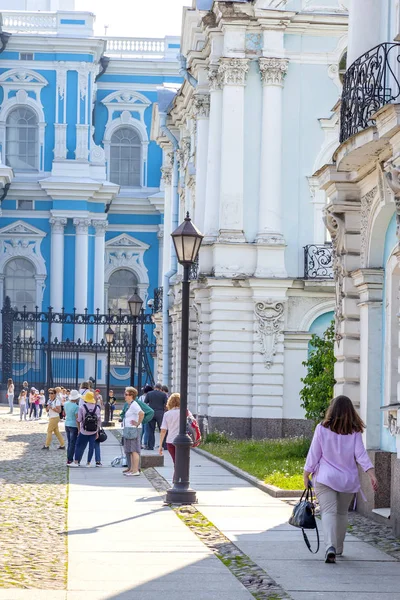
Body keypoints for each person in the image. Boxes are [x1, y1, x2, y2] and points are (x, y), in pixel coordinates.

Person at [304, 395, 378, 564]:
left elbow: (314, 454)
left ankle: (330, 547)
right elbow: (361, 455)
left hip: (325, 478)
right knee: (342, 513)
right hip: (347, 480)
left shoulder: (322, 428)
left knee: (328, 511)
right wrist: (372, 473)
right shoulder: (355, 432)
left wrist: (306, 474)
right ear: (351, 412)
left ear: (332, 410)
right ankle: (338, 547)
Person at [68, 391, 101, 468]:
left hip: (84, 430)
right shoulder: (96, 408)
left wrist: (79, 429)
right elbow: (99, 420)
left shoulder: (82, 407)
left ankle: (76, 461)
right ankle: (88, 463)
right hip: (93, 431)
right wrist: (97, 431)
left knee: (78, 445)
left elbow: (79, 419)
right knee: (91, 447)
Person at [122, 386, 144, 476]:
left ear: (131, 395)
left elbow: (142, 413)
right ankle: (132, 469)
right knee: (130, 450)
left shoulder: (134, 404)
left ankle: (135, 470)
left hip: (133, 430)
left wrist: (138, 423)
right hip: (129, 429)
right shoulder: (130, 404)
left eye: (126, 394)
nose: (125, 396)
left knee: (134, 450)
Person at [159, 393, 181, 464]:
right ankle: (181, 474)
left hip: (171, 440)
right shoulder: (184, 413)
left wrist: (160, 445)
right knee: (182, 461)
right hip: (182, 441)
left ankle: (177, 474)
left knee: (175, 461)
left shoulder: (167, 414)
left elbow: (163, 430)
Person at [144, 383, 167, 451]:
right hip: (160, 413)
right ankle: (164, 445)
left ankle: (150, 446)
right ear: (160, 388)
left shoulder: (149, 394)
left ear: (154, 387)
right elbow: (166, 404)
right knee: (162, 429)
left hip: (151, 413)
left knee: (151, 430)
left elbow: (145, 403)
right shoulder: (163, 394)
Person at [64, 389, 80, 465]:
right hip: (73, 425)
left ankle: (68, 458)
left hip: (67, 424)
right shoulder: (76, 407)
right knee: (73, 443)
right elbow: (77, 419)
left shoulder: (66, 404)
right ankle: (70, 460)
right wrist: (79, 428)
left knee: (69, 442)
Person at [139, 384, 153, 449]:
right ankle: (145, 443)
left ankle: (139, 443)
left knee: (142, 430)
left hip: (141, 414)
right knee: (147, 430)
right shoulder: (150, 397)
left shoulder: (140, 397)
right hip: (147, 415)